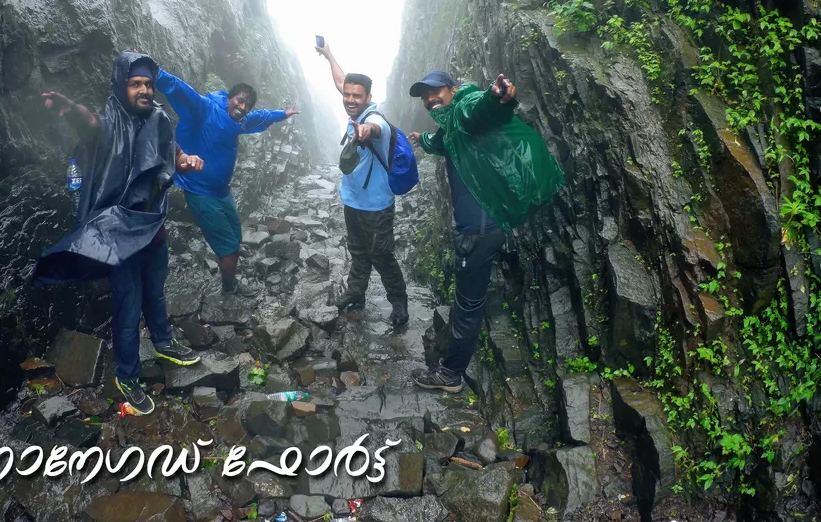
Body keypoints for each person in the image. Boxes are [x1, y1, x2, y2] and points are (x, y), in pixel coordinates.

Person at [34, 51, 203, 416]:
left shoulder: (158, 118)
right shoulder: (109, 121)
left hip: (153, 228)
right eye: (135, 84)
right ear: (121, 85)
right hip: (119, 235)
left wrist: (185, 160)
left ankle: (163, 342)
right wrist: (71, 110)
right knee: (128, 305)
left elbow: (169, 149)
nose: (144, 90)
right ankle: (127, 375)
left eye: (147, 84)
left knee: (155, 293)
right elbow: (90, 124)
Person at [406, 70, 565, 393]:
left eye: (435, 92)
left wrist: (496, 96)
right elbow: (442, 141)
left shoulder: (466, 106)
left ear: (452, 89)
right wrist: (420, 140)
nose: (429, 100)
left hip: (477, 232)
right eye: (424, 97)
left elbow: (480, 110)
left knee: (468, 304)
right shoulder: (451, 124)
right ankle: (451, 366)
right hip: (483, 225)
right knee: (468, 299)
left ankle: (450, 374)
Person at [155, 69, 299, 297]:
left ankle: (228, 275)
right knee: (229, 248)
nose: (243, 107)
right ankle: (229, 291)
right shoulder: (205, 109)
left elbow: (263, 116)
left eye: (247, 104)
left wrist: (284, 114)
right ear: (229, 97)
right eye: (240, 100)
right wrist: (155, 72)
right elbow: (180, 88)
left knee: (236, 236)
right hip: (200, 192)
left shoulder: (241, 122)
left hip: (222, 192)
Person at [315, 43, 409, 327]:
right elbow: (340, 81)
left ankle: (399, 301)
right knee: (357, 251)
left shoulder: (374, 120)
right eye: (348, 95)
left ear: (369, 97)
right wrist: (329, 55)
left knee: (380, 254)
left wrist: (366, 131)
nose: (350, 99)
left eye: (357, 96)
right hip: (352, 201)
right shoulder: (353, 109)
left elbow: (377, 129)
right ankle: (356, 293)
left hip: (376, 206)